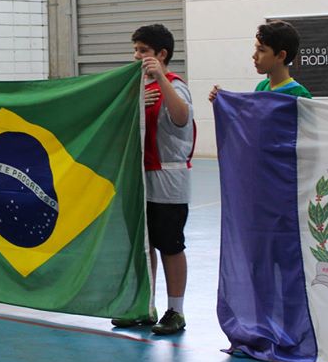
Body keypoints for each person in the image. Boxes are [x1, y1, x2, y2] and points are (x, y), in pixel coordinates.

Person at [111, 24, 195, 335]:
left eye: (143, 51)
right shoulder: (134, 88)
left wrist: (159, 78)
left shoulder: (175, 85)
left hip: (168, 180)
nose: (136, 56)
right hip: (138, 178)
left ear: (161, 54)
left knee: (170, 245)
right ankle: (145, 306)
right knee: (144, 247)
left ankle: (176, 310)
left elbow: (182, 117)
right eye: (135, 50)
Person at [209, 20, 312, 102]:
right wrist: (222, 100)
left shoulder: (300, 95)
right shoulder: (261, 87)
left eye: (261, 50)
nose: (254, 56)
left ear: (281, 56)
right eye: (256, 49)